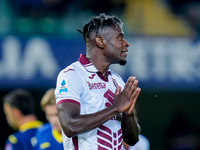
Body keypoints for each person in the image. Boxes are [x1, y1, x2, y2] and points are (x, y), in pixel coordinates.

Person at [55, 13, 141, 150]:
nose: (126, 43)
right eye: (120, 38)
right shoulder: (72, 75)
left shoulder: (117, 80)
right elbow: (70, 126)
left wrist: (128, 114)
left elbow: (132, 140)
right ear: (100, 42)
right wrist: (115, 108)